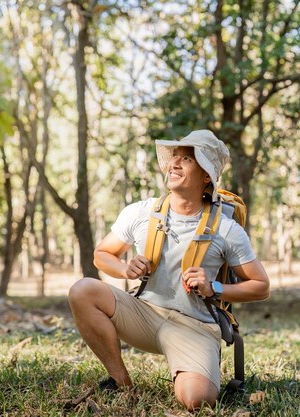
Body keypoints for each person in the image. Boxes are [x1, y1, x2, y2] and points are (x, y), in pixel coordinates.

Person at [68, 130, 270, 411]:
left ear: (206, 176)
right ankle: (120, 380)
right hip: (144, 315)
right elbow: (102, 254)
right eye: (174, 156)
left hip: (196, 326)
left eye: (186, 159)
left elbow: (261, 286)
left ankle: (197, 368)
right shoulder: (141, 212)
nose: (173, 163)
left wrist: (215, 287)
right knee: (83, 290)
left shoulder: (227, 229)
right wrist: (125, 269)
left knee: (198, 400)